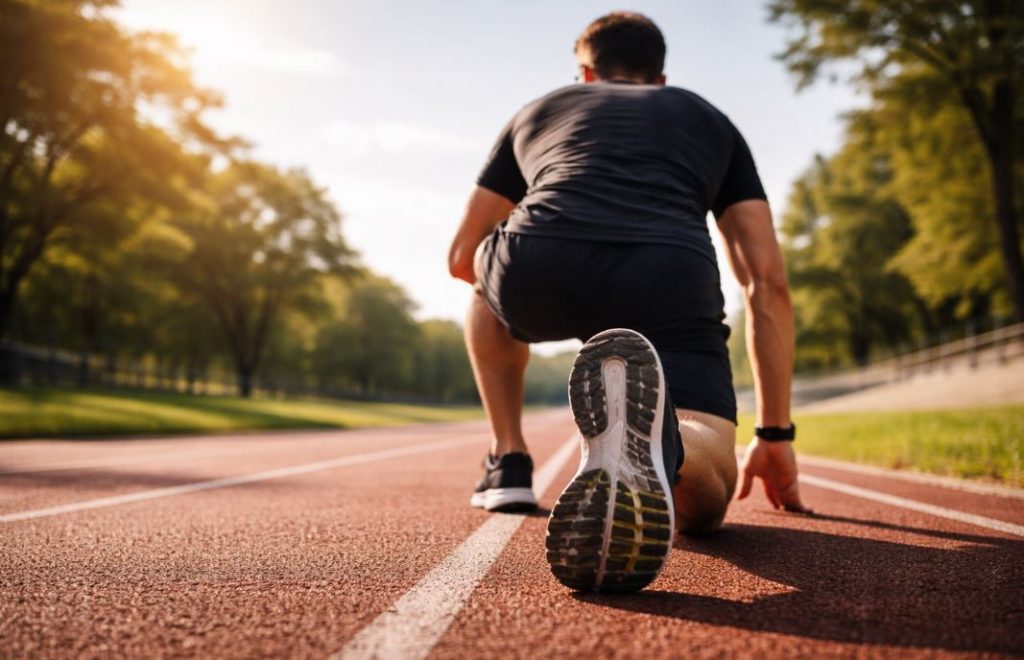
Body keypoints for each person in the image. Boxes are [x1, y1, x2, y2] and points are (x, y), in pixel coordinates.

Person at [448, 11, 809, 592]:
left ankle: (509, 460)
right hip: (668, 272)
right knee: (708, 495)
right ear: (661, 80)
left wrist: (525, 264)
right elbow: (767, 284)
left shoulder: (540, 110)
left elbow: (462, 257)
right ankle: (668, 447)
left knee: (492, 270)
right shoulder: (708, 119)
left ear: (585, 75)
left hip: (543, 256)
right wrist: (774, 434)